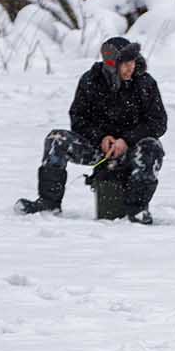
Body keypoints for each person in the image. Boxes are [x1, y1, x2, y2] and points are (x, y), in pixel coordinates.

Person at [17, 36, 167, 224]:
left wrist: (126, 140)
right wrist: (101, 138)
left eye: (133, 61)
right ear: (112, 64)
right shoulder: (90, 81)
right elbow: (78, 118)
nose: (131, 67)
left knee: (152, 147)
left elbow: (158, 122)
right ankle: (48, 203)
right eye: (125, 63)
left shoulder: (146, 83)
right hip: (98, 147)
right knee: (56, 139)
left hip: (133, 147)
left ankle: (137, 210)